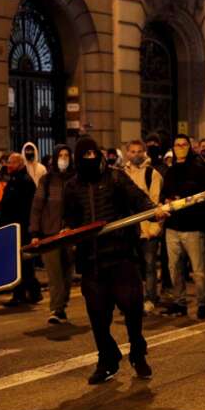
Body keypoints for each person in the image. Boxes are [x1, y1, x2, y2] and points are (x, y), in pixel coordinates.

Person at [62, 137, 167, 383]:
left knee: (132, 311)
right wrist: (66, 232)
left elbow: (138, 199)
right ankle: (107, 360)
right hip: (91, 261)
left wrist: (155, 211)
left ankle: (138, 355)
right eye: (84, 156)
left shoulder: (116, 177)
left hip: (121, 257)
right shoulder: (72, 187)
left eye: (93, 154)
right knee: (98, 317)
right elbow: (70, 219)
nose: (90, 160)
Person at [159, 134, 205, 319]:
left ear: (190, 147)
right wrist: (166, 200)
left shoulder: (199, 170)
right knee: (174, 268)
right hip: (173, 227)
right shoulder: (171, 171)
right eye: (177, 145)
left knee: (198, 271)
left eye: (183, 145)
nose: (180, 148)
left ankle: (202, 303)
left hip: (193, 227)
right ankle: (180, 302)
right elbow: (163, 195)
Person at [29, 145, 75, 324]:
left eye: (66, 155)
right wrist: (35, 232)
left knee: (67, 273)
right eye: (60, 156)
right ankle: (56, 309)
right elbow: (37, 207)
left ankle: (62, 304)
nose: (64, 159)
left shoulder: (75, 179)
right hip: (50, 234)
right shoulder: (47, 181)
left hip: (71, 234)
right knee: (54, 273)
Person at [122, 140, 164, 314]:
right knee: (130, 269)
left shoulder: (152, 174)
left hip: (148, 230)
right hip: (128, 230)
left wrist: (153, 230)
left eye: (140, 151)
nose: (136, 154)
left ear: (145, 152)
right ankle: (132, 300)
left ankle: (150, 298)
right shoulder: (121, 174)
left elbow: (155, 203)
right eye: (132, 151)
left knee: (149, 266)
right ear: (127, 153)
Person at [0, 152, 41, 306]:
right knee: (21, 263)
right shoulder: (15, 179)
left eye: (11, 163)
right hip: (13, 229)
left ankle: (22, 294)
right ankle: (30, 293)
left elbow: (26, 208)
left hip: (20, 229)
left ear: (20, 164)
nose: (8, 165)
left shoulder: (24, 181)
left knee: (22, 263)